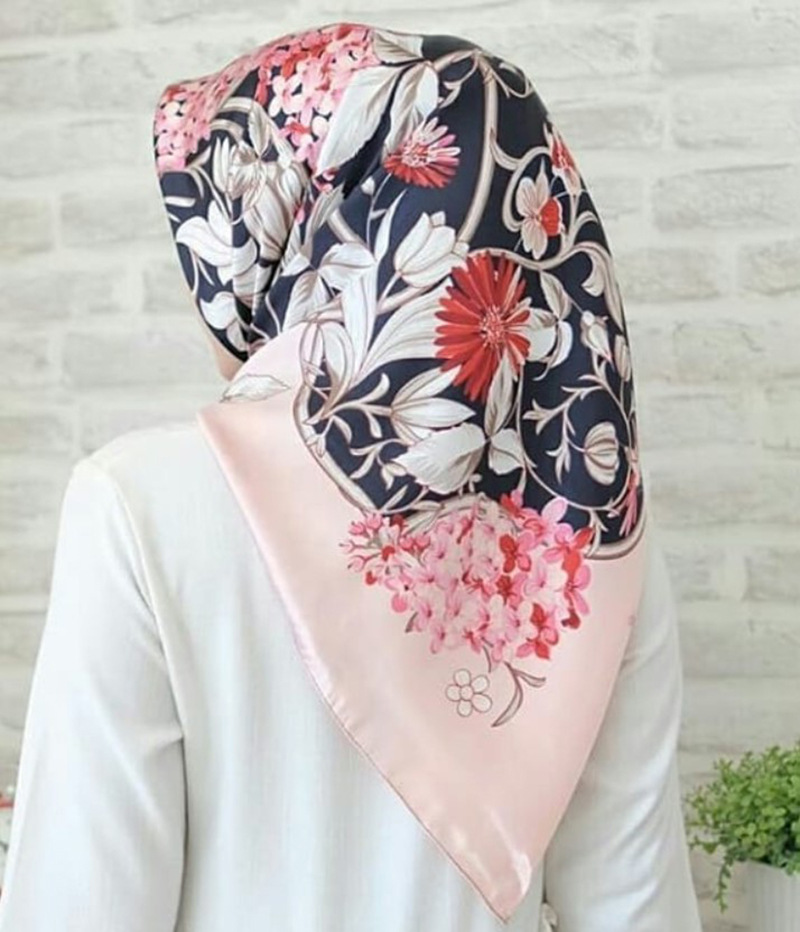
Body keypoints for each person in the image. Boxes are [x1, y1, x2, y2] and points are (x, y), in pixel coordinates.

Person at [0, 22, 704, 932]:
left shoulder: (136, 508)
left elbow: (77, 911)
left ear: (290, 235)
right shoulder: (594, 551)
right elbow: (637, 912)